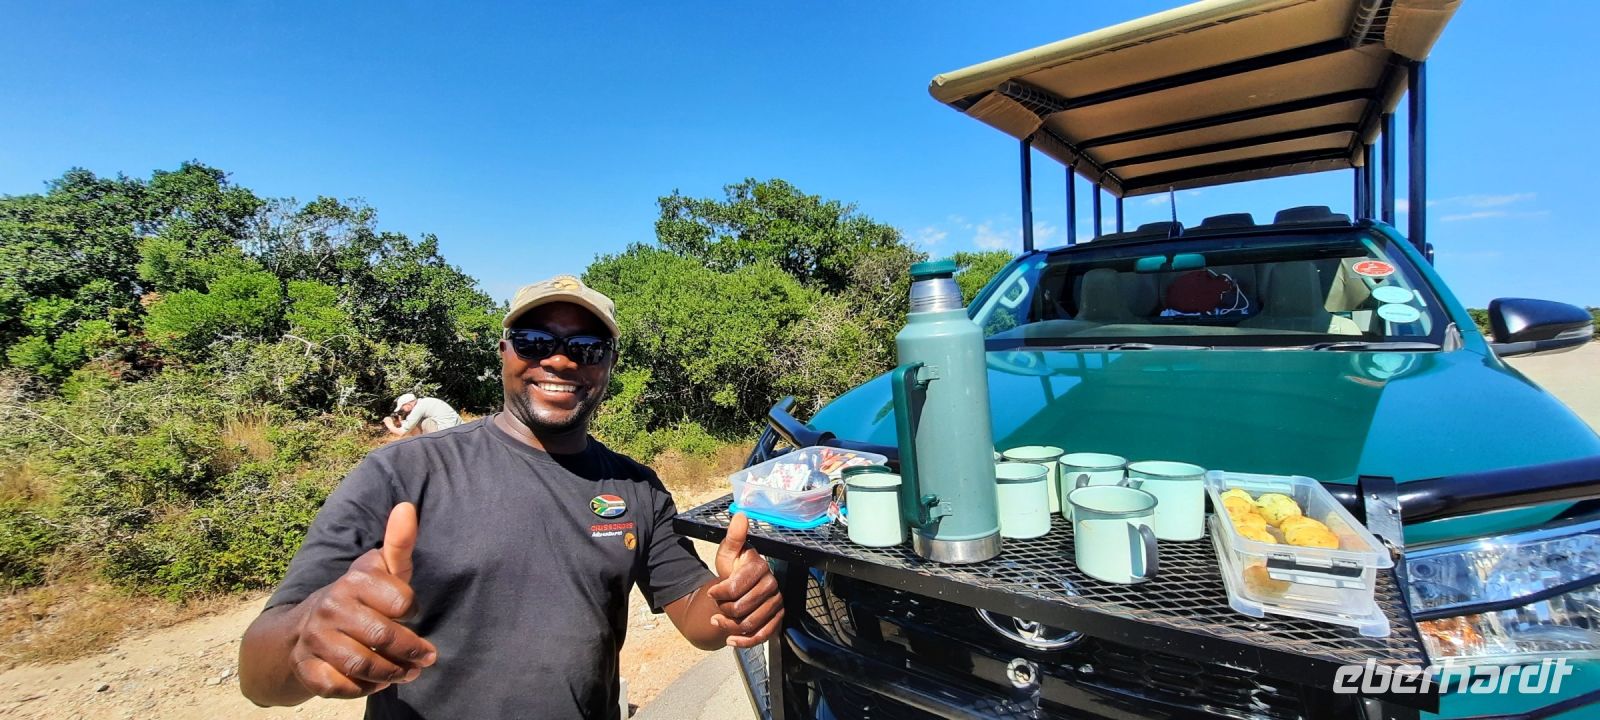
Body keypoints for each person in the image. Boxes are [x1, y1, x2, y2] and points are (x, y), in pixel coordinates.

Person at [238, 274, 783, 719]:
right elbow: (259, 678)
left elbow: (694, 612)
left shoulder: (635, 486)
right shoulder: (403, 471)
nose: (562, 361)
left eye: (587, 347)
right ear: (503, 351)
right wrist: (304, 638)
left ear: (608, 365)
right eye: (536, 341)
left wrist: (731, 605)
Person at [382, 393, 462, 436]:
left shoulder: (418, 409)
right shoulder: (424, 402)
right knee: (418, 422)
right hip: (458, 427)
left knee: (423, 423)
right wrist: (401, 422)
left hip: (447, 433)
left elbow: (402, 433)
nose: (402, 411)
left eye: (402, 409)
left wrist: (389, 424)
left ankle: (427, 446)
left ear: (408, 405)